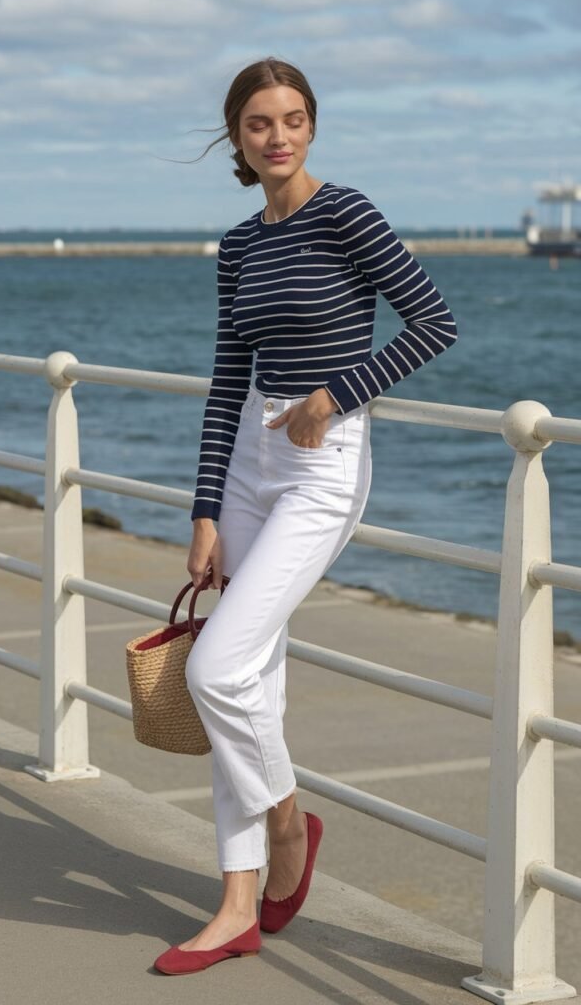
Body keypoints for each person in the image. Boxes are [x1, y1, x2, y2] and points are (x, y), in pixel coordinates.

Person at [153, 56, 458, 976]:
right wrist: (205, 509)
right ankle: (237, 901)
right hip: (249, 456)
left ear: (313, 127)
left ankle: (288, 827)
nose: (277, 136)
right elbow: (223, 386)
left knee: (216, 668)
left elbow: (433, 320)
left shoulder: (347, 212)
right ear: (238, 139)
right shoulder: (240, 245)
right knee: (251, 682)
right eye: (258, 123)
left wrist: (338, 394)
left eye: (291, 119)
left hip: (323, 462)